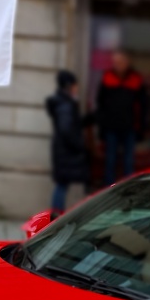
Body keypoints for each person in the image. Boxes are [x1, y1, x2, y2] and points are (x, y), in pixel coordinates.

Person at [96, 50, 146, 186]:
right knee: (110, 161)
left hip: (129, 127)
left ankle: (128, 189)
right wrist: (102, 127)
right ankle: (108, 190)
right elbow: (101, 104)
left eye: (120, 62)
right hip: (111, 127)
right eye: (115, 62)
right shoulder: (107, 77)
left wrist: (140, 128)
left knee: (128, 162)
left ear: (127, 62)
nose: (117, 65)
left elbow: (143, 106)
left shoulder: (136, 79)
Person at [45, 70, 90, 216]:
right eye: (75, 85)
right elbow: (67, 129)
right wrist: (79, 145)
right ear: (68, 86)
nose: (77, 88)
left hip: (63, 150)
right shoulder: (66, 105)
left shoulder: (63, 103)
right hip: (66, 151)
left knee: (62, 184)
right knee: (62, 185)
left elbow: (71, 125)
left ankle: (57, 215)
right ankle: (56, 217)